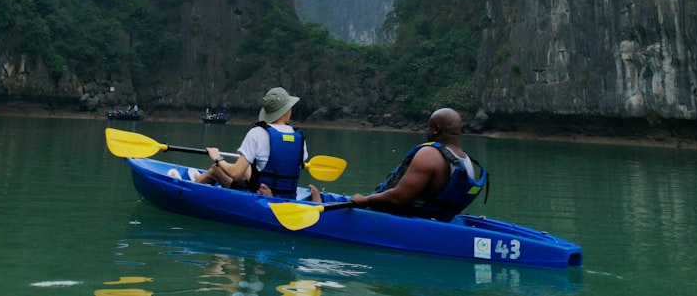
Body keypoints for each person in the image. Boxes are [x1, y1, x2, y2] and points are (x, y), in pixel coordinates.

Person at [322, 108, 487, 221]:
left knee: (351, 208)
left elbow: (398, 197)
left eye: (428, 127)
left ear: (436, 129)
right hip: (437, 221)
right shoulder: (466, 162)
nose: (426, 131)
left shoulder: (429, 155)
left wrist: (364, 200)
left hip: (404, 220)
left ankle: (318, 201)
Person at [194, 87, 309, 199]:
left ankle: (192, 184)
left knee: (216, 169)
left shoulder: (257, 133)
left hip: (260, 196)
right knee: (248, 167)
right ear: (286, 111)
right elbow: (284, 165)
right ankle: (200, 179)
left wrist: (217, 158)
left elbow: (235, 173)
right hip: (288, 196)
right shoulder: (299, 138)